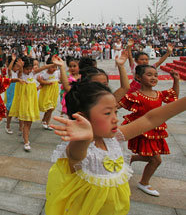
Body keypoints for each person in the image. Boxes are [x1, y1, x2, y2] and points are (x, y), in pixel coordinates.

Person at [45, 80, 186, 215]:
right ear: (83, 118)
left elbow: (150, 119)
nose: (115, 119)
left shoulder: (113, 138)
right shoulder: (79, 148)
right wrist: (85, 138)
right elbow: (75, 154)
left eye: (115, 112)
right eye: (107, 113)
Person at [119, 65, 179, 196]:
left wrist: (176, 80)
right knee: (156, 160)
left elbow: (174, 98)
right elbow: (116, 105)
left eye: (156, 75)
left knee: (149, 157)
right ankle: (144, 183)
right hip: (143, 132)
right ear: (138, 77)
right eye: (149, 75)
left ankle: (131, 159)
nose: (154, 78)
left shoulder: (159, 94)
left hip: (155, 131)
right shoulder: (135, 96)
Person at [9, 57, 53, 151]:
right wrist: (21, 67)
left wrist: (54, 64)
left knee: (29, 122)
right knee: (26, 121)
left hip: (32, 102)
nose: (29, 71)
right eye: (26, 69)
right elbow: (20, 72)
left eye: (30, 68)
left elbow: (44, 67)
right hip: (24, 102)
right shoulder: (20, 75)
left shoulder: (32, 73)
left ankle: (25, 137)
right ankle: (26, 141)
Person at [37, 56, 60, 130]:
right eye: (52, 67)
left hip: (54, 93)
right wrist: (44, 83)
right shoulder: (44, 74)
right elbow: (41, 82)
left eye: (55, 67)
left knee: (51, 108)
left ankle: (45, 121)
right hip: (47, 93)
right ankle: (46, 121)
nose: (54, 69)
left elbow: (59, 80)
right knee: (49, 108)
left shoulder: (57, 73)